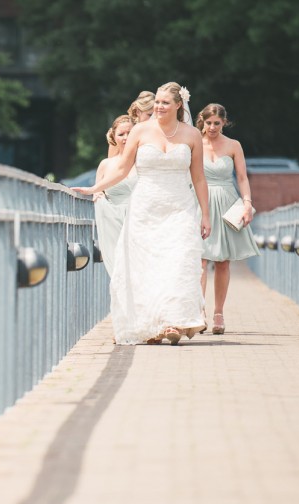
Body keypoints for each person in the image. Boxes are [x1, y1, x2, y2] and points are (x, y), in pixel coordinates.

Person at [73, 82, 210, 345]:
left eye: (165, 103)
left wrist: (205, 215)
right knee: (148, 267)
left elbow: (200, 179)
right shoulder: (140, 131)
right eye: (157, 102)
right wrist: (95, 188)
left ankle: (172, 321)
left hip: (180, 208)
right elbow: (122, 169)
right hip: (145, 208)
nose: (158, 107)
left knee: (178, 262)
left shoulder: (192, 135)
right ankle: (152, 325)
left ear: (179, 105)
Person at [196, 103, 259, 334]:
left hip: (226, 202)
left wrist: (247, 203)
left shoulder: (234, 145)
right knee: (200, 260)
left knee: (223, 260)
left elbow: (242, 177)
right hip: (200, 202)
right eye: (208, 122)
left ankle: (219, 312)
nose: (212, 127)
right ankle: (199, 310)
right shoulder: (194, 142)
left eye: (217, 123)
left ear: (224, 123)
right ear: (202, 121)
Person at [94, 115, 137, 276]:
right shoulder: (106, 165)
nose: (126, 138)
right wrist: (97, 195)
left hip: (140, 220)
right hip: (115, 223)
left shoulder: (144, 162)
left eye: (130, 133)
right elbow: (98, 190)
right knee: (120, 267)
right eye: (121, 134)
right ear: (113, 136)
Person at [108, 92, 154, 158]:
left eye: (156, 115)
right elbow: (112, 164)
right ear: (138, 112)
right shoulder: (122, 131)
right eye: (150, 115)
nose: (154, 119)